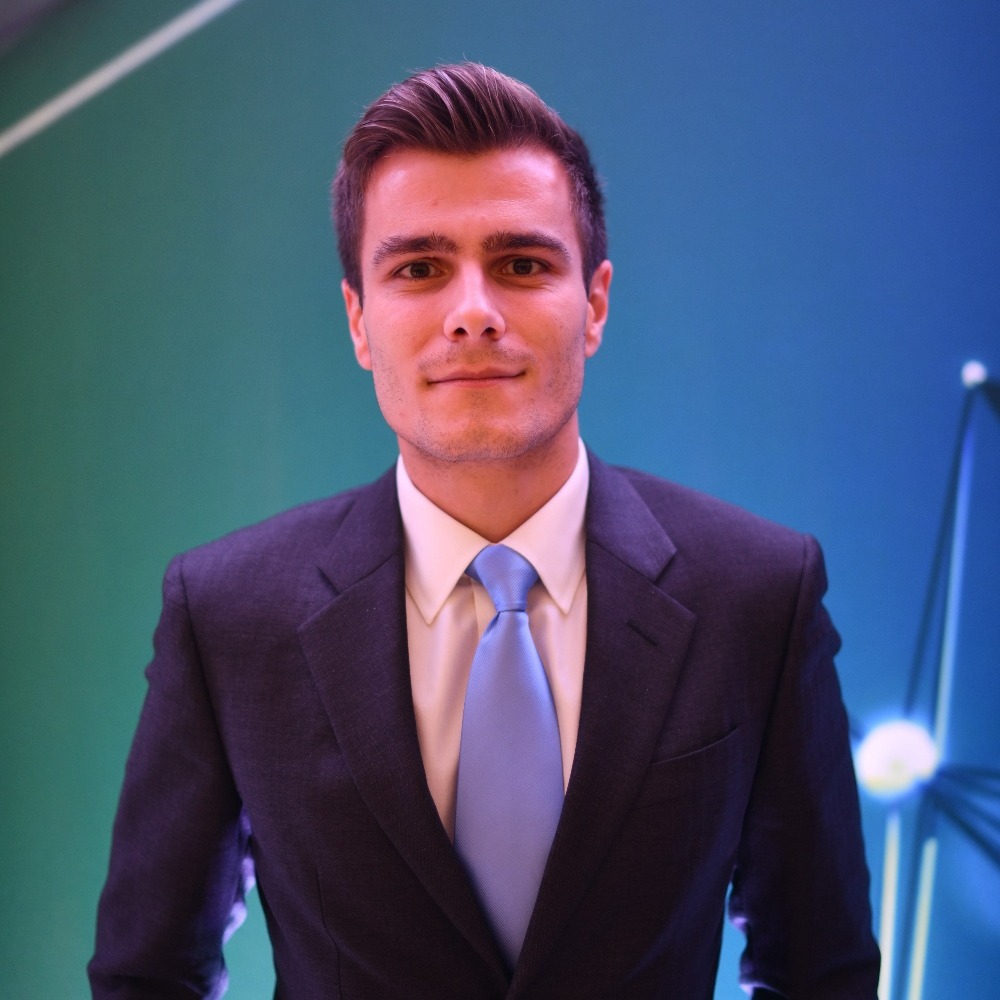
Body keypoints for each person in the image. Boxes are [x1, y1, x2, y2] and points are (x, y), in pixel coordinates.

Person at [89, 63, 880, 999]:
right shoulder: (226, 615)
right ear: (358, 320)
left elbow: (821, 971)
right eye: (419, 269)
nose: (473, 312)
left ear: (594, 304)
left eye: (522, 264)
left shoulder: (757, 593)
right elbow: (148, 975)